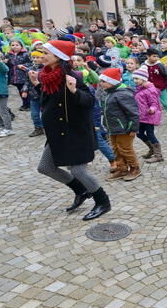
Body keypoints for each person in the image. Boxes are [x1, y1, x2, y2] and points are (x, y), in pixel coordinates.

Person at [29, 40, 111, 221]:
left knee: (78, 171)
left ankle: (103, 202)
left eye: (45, 53)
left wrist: (74, 91)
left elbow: (90, 102)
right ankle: (81, 191)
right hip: (57, 132)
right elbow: (49, 101)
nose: (42, 56)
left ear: (58, 57)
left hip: (75, 132)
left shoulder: (72, 76)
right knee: (45, 167)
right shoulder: (46, 75)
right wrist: (36, 84)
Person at [97, 68, 142, 181]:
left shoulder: (123, 94)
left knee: (125, 149)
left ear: (112, 82)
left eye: (103, 81)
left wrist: (133, 128)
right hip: (112, 128)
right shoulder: (110, 93)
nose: (101, 84)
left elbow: (133, 113)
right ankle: (121, 169)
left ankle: (135, 168)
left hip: (124, 128)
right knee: (115, 149)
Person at [132, 66, 164, 163]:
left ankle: (158, 155)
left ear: (143, 79)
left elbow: (154, 103)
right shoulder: (139, 88)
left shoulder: (150, 90)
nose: (135, 81)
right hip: (141, 116)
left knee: (150, 134)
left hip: (149, 116)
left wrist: (152, 109)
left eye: (137, 78)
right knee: (139, 134)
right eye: (134, 78)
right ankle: (152, 150)